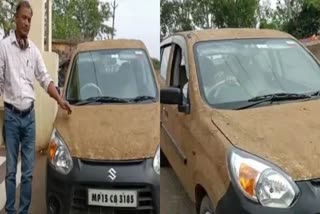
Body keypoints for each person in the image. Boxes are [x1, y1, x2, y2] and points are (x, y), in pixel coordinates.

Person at [0, 1, 72, 213]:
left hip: (29, 118)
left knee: (28, 173)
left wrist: (60, 99)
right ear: (15, 19)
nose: (27, 23)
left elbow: (45, 78)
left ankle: (23, 211)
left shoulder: (33, 51)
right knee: (12, 170)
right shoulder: (4, 47)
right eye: (23, 18)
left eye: (30, 19)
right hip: (12, 118)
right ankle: (11, 210)